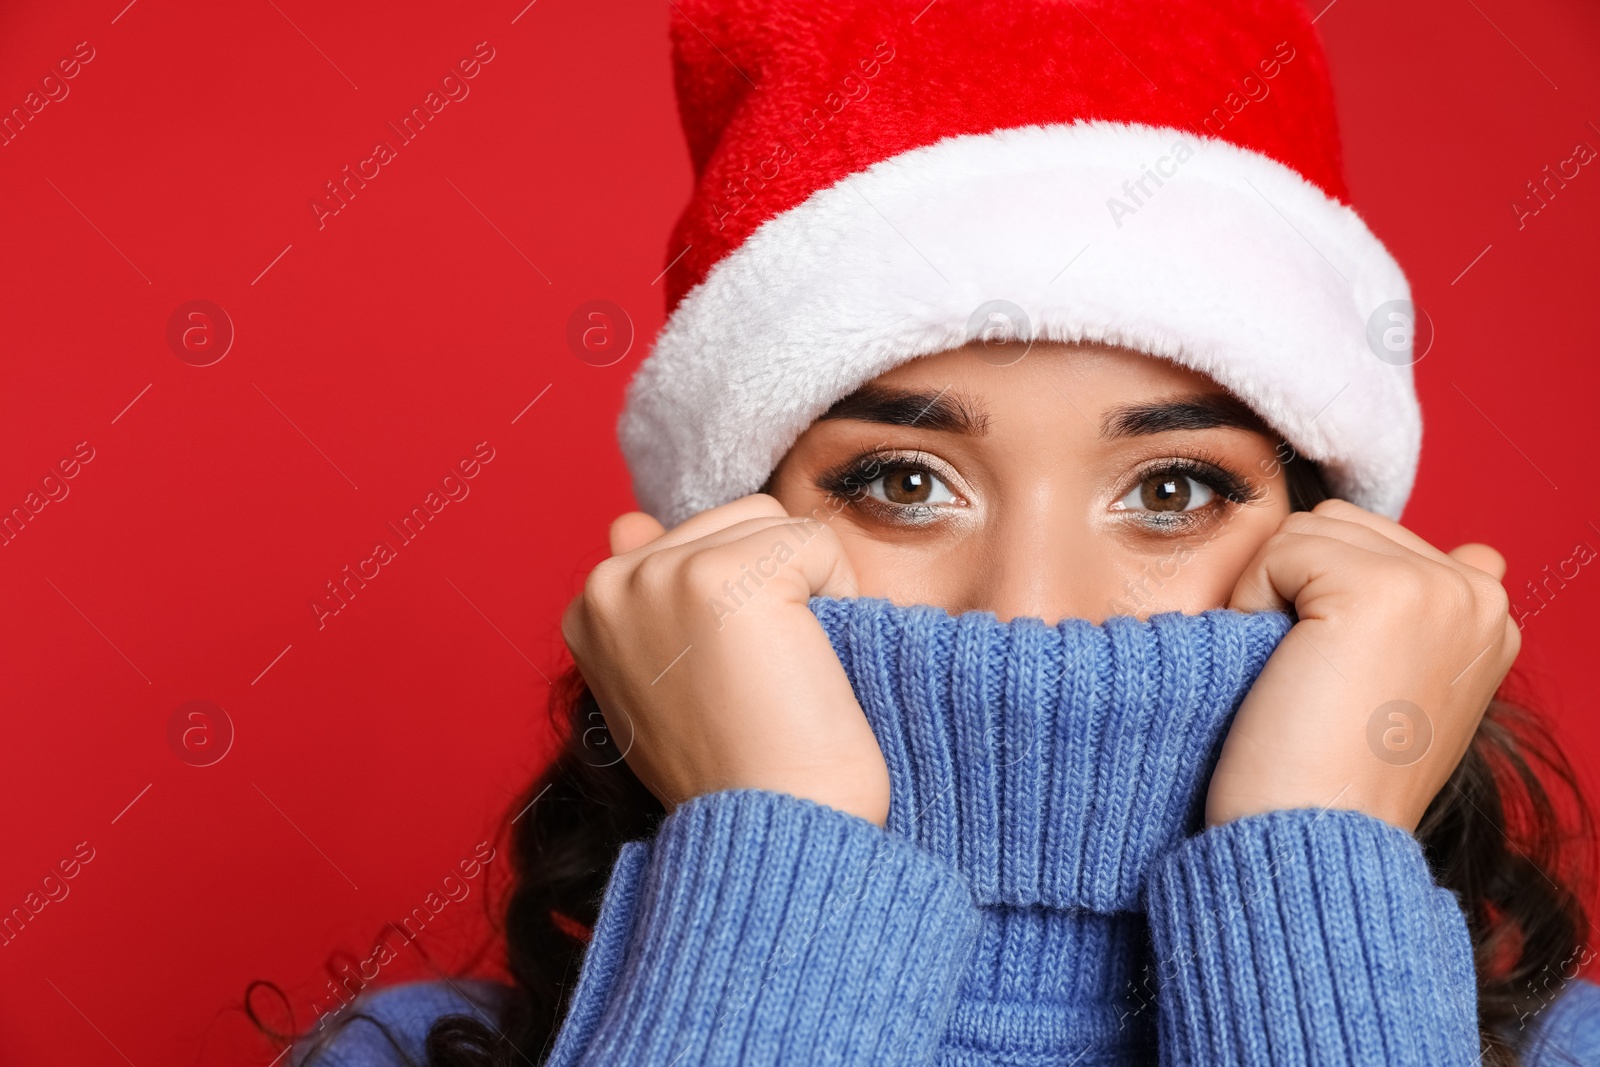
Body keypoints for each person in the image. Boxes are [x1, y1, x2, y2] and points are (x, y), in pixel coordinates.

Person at [284, 1, 1600, 1064]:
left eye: (1172, 490)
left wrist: (1317, 872)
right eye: (902, 482)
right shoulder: (404, 1056)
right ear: (720, 547)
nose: (1028, 606)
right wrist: (779, 850)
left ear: (1337, 549)